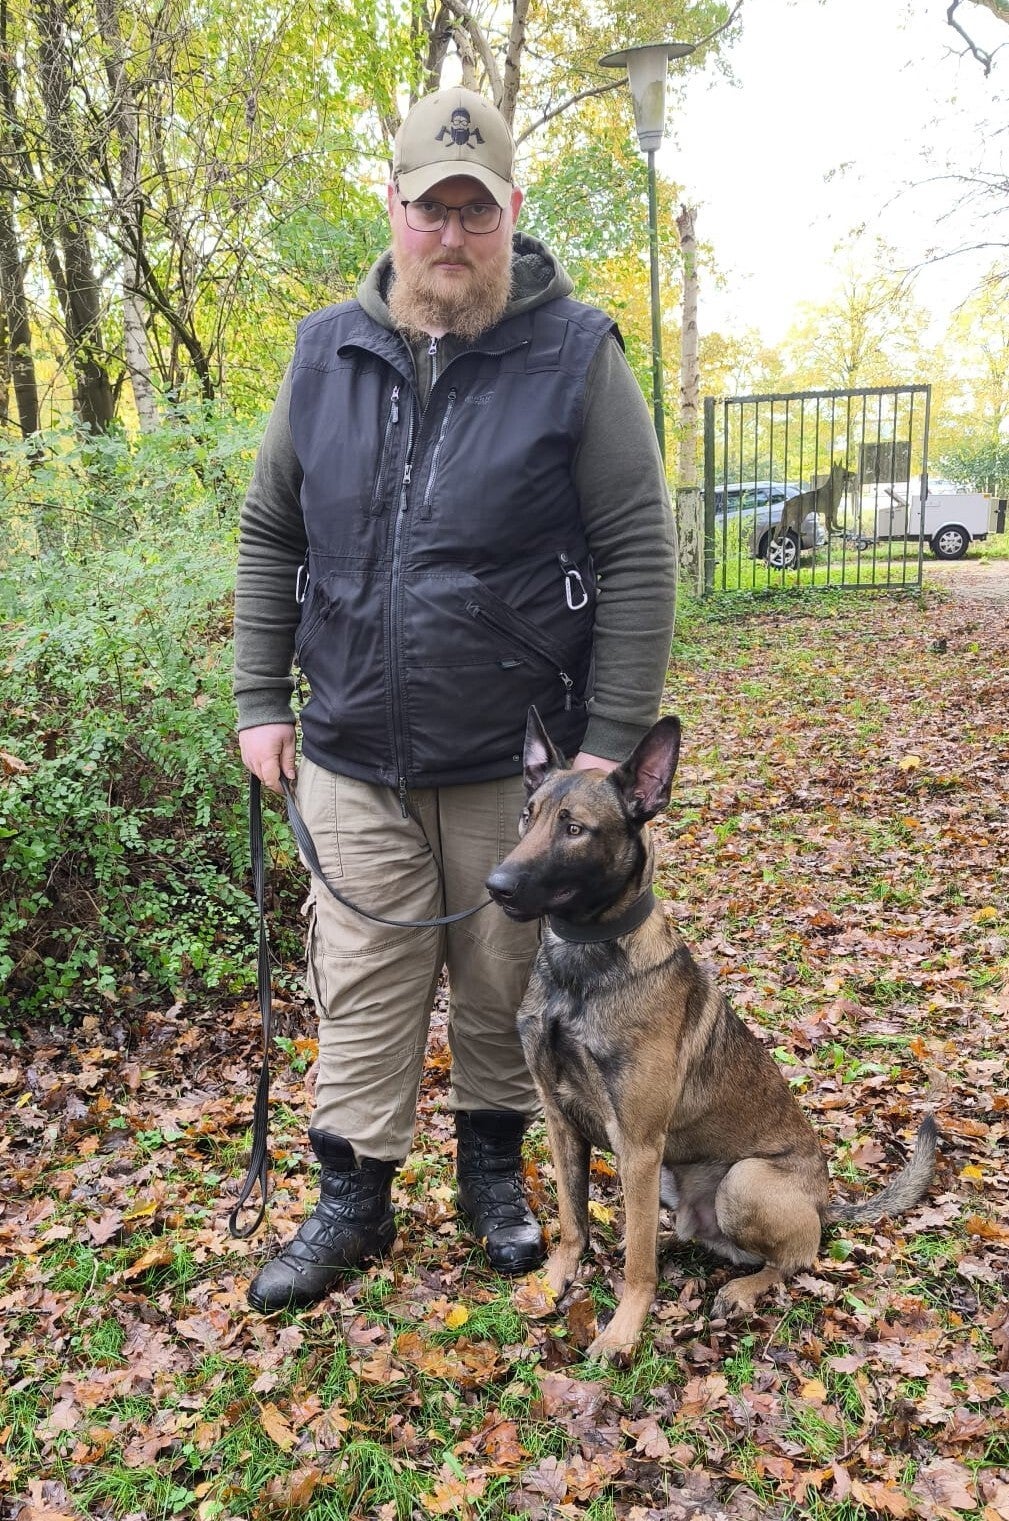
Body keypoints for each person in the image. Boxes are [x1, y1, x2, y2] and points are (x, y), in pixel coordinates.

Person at [233, 84, 677, 1313]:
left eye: (476, 213)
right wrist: (259, 698)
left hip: (516, 763)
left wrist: (605, 747)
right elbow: (270, 531)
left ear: (511, 213)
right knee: (361, 979)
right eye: (432, 209)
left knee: (504, 979)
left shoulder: (576, 354)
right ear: (393, 208)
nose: (451, 236)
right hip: (351, 746)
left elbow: (639, 551)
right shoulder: (324, 354)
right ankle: (354, 1200)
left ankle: (494, 1178)